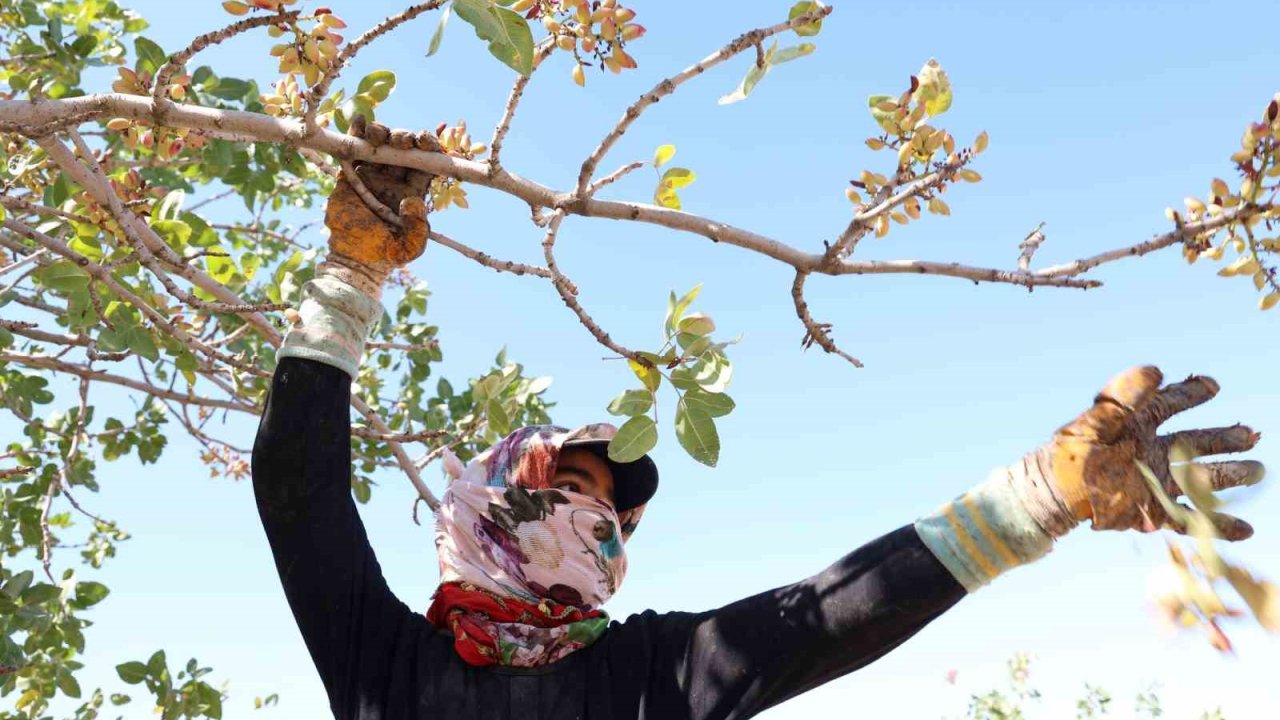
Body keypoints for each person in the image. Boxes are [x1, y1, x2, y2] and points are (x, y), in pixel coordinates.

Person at [251, 119, 1266, 720]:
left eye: (606, 510)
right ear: (485, 489)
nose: (583, 512)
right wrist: (350, 277)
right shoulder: (382, 661)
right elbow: (297, 492)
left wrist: (1040, 497)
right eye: (564, 482)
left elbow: (825, 619)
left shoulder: (646, 675)